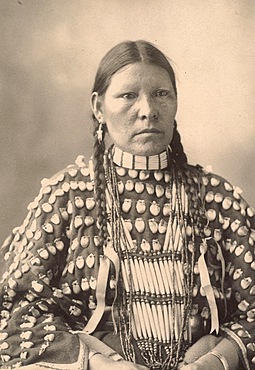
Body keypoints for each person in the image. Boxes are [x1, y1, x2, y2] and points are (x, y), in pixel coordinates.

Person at [0, 40, 254, 370]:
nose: (148, 109)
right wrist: (101, 364)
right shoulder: (67, 196)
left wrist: (218, 360)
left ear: (176, 102)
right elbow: (14, 311)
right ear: (98, 107)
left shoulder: (217, 200)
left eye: (161, 93)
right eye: (128, 95)